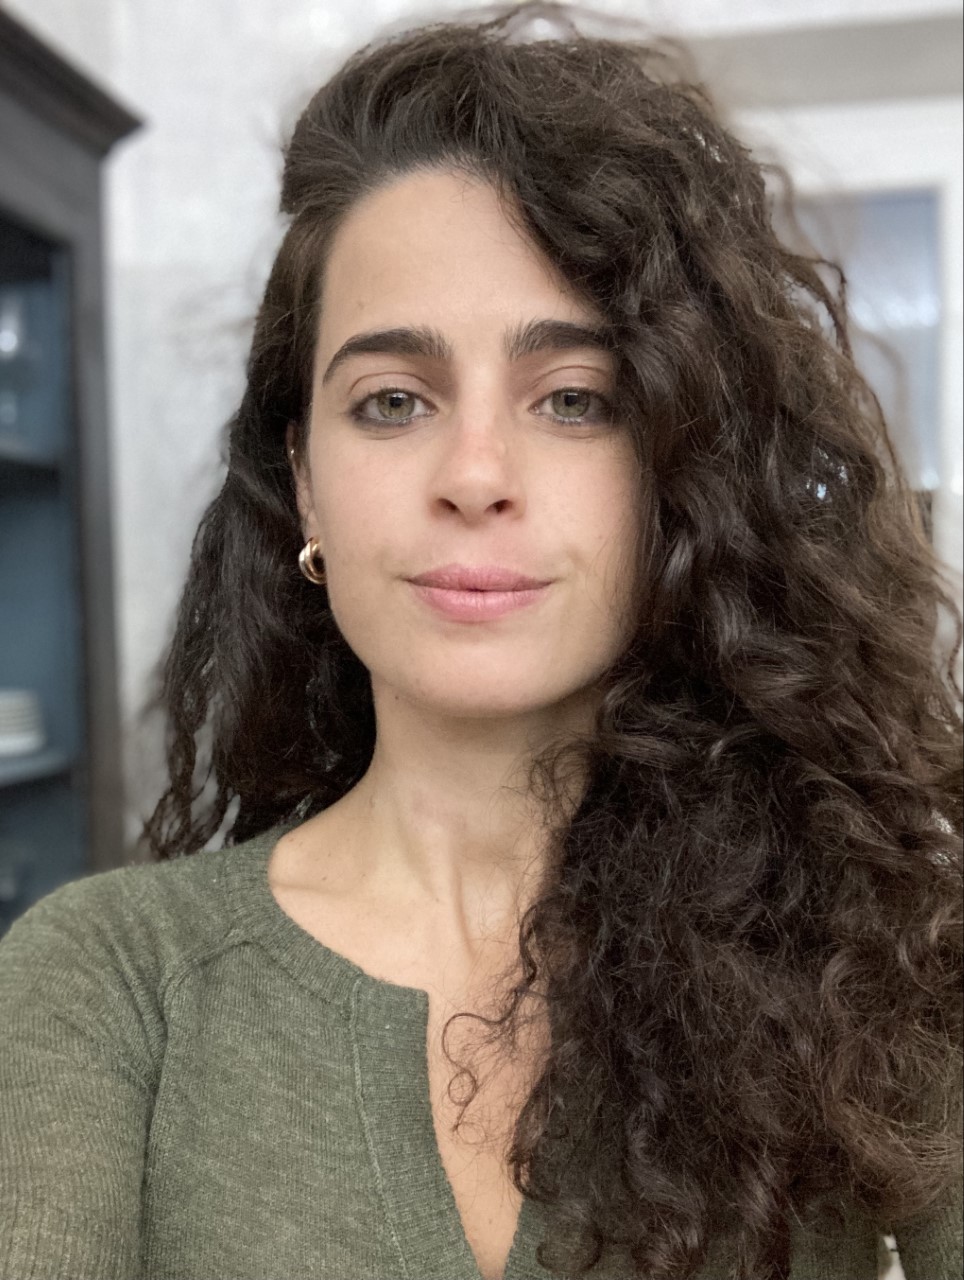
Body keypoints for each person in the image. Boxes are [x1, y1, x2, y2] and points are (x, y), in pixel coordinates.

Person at [1, 2, 961, 1277]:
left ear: (680, 465)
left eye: (573, 399)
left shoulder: (881, 941)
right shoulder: (108, 980)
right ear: (303, 482)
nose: (473, 473)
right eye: (391, 401)